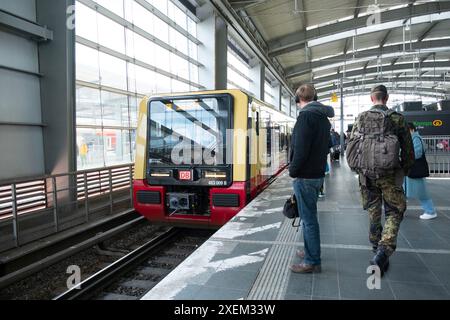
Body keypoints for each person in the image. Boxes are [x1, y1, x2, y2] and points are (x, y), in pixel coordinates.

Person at [347, 85, 414, 276]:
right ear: (386, 98)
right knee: (394, 211)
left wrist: (357, 168)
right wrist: (405, 169)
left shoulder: (360, 117)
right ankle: (384, 249)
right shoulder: (397, 118)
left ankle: (375, 248)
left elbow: (352, 145)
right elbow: (408, 149)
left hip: (367, 174)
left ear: (371, 99)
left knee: (373, 211)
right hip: (390, 174)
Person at [289, 84, 333, 274]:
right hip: (317, 174)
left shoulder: (306, 117)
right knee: (310, 217)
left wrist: (293, 170)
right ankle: (310, 251)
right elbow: (328, 144)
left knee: (308, 220)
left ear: (299, 100)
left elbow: (300, 149)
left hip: (305, 176)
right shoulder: (324, 118)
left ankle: (312, 261)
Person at [405, 123, 437, 220]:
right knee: (404, 192)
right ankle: (399, 211)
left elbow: (417, 153)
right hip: (411, 170)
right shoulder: (412, 138)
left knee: (422, 193)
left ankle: (430, 211)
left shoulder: (416, 138)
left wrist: (404, 156)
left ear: (411, 130)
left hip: (415, 170)